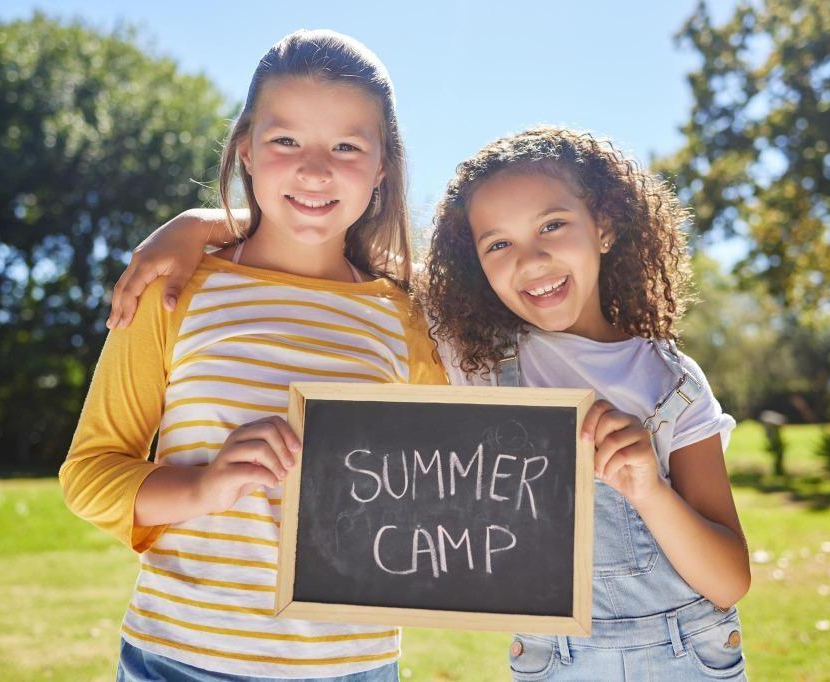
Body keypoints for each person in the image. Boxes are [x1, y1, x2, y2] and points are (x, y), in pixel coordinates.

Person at [108, 126, 751, 681]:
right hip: (552, 660)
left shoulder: (670, 385)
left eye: (553, 225)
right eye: (497, 244)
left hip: (684, 656)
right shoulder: (470, 355)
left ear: (605, 226)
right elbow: (331, 243)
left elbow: (728, 579)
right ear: (475, 264)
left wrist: (649, 491)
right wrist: (201, 225)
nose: (531, 260)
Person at [60, 29, 445, 681]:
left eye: (347, 146)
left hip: (356, 667)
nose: (315, 169)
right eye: (285, 140)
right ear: (245, 148)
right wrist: (204, 486)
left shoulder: (409, 318)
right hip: (180, 661)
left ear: (383, 168)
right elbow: (90, 475)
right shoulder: (174, 288)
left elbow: (444, 492)